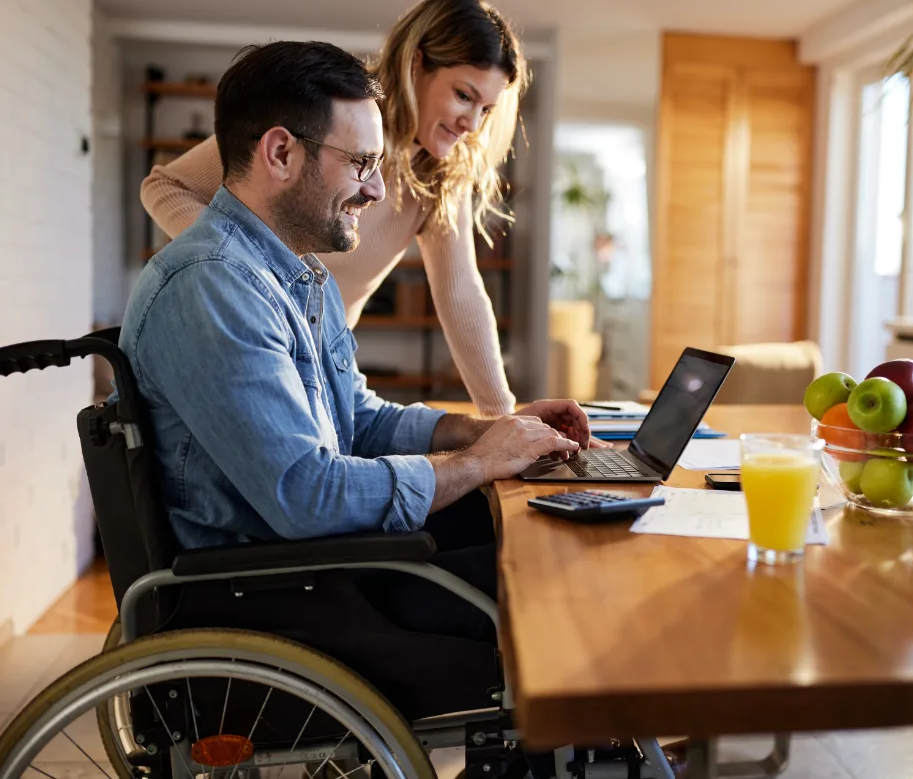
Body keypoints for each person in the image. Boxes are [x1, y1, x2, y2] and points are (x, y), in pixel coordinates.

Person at [119, 39, 589, 721]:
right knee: (554, 582)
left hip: (317, 567)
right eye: (363, 164)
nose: (376, 190)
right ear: (281, 154)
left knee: (541, 535)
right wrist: (476, 464)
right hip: (282, 594)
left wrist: (487, 431)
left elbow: (358, 422)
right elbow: (307, 494)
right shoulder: (215, 287)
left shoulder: (297, 275)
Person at [141, 0, 527, 416]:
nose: (472, 124)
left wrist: (502, 419)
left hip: (317, 369)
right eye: (464, 96)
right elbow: (165, 186)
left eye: (486, 110)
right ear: (416, 63)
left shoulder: (438, 175)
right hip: (240, 349)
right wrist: (257, 274)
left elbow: (460, 294)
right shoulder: (331, 111)